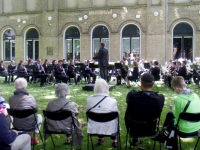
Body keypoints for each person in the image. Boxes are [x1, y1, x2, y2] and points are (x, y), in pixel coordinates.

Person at [125, 73, 165, 145]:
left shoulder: (132, 96)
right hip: (151, 128)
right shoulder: (160, 98)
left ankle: (135, 138)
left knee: (129, 110)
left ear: (141, 83)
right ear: (153, 84)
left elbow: (131, 97)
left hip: (134, 128)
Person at [162, 76, 200, 149]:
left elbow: (177, 117)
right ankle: (165, 132)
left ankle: (170, 142)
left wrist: (173, 108)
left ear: (177, 87)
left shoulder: (178, 99)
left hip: (184, 130)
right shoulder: (196, 96)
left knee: (172, 121)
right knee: (171, 115)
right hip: (197, 128)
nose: (174, 91)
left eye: (174, 89)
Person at [45, 83, 84, 147]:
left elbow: (47, 112)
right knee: (74, 121)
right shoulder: (71, 104)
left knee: (69, 120)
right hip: (67, 127)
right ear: (67, 92)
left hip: (52, 127)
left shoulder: (50, 103)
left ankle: (69, 138)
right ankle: (70, 137)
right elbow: (76, 114)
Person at [9, 78, 43, 145]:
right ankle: (33, 138)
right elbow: (35, 110)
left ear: (15, 86)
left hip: (16, 124)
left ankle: (30, 137)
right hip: (29, 124)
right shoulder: (30, 98)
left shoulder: (11, 98)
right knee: (38, 116)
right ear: (25, 87)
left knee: (31, 116)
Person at [86, 79, 119, 147]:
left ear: (95, 88)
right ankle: (114, 140)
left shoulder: (89, 100)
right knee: (112, 121)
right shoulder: (112, 101)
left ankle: (100, 137)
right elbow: (117, 114)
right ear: (107, 88)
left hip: (94, 127)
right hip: (110, 127)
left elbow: (87, 112)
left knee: (99, 120)